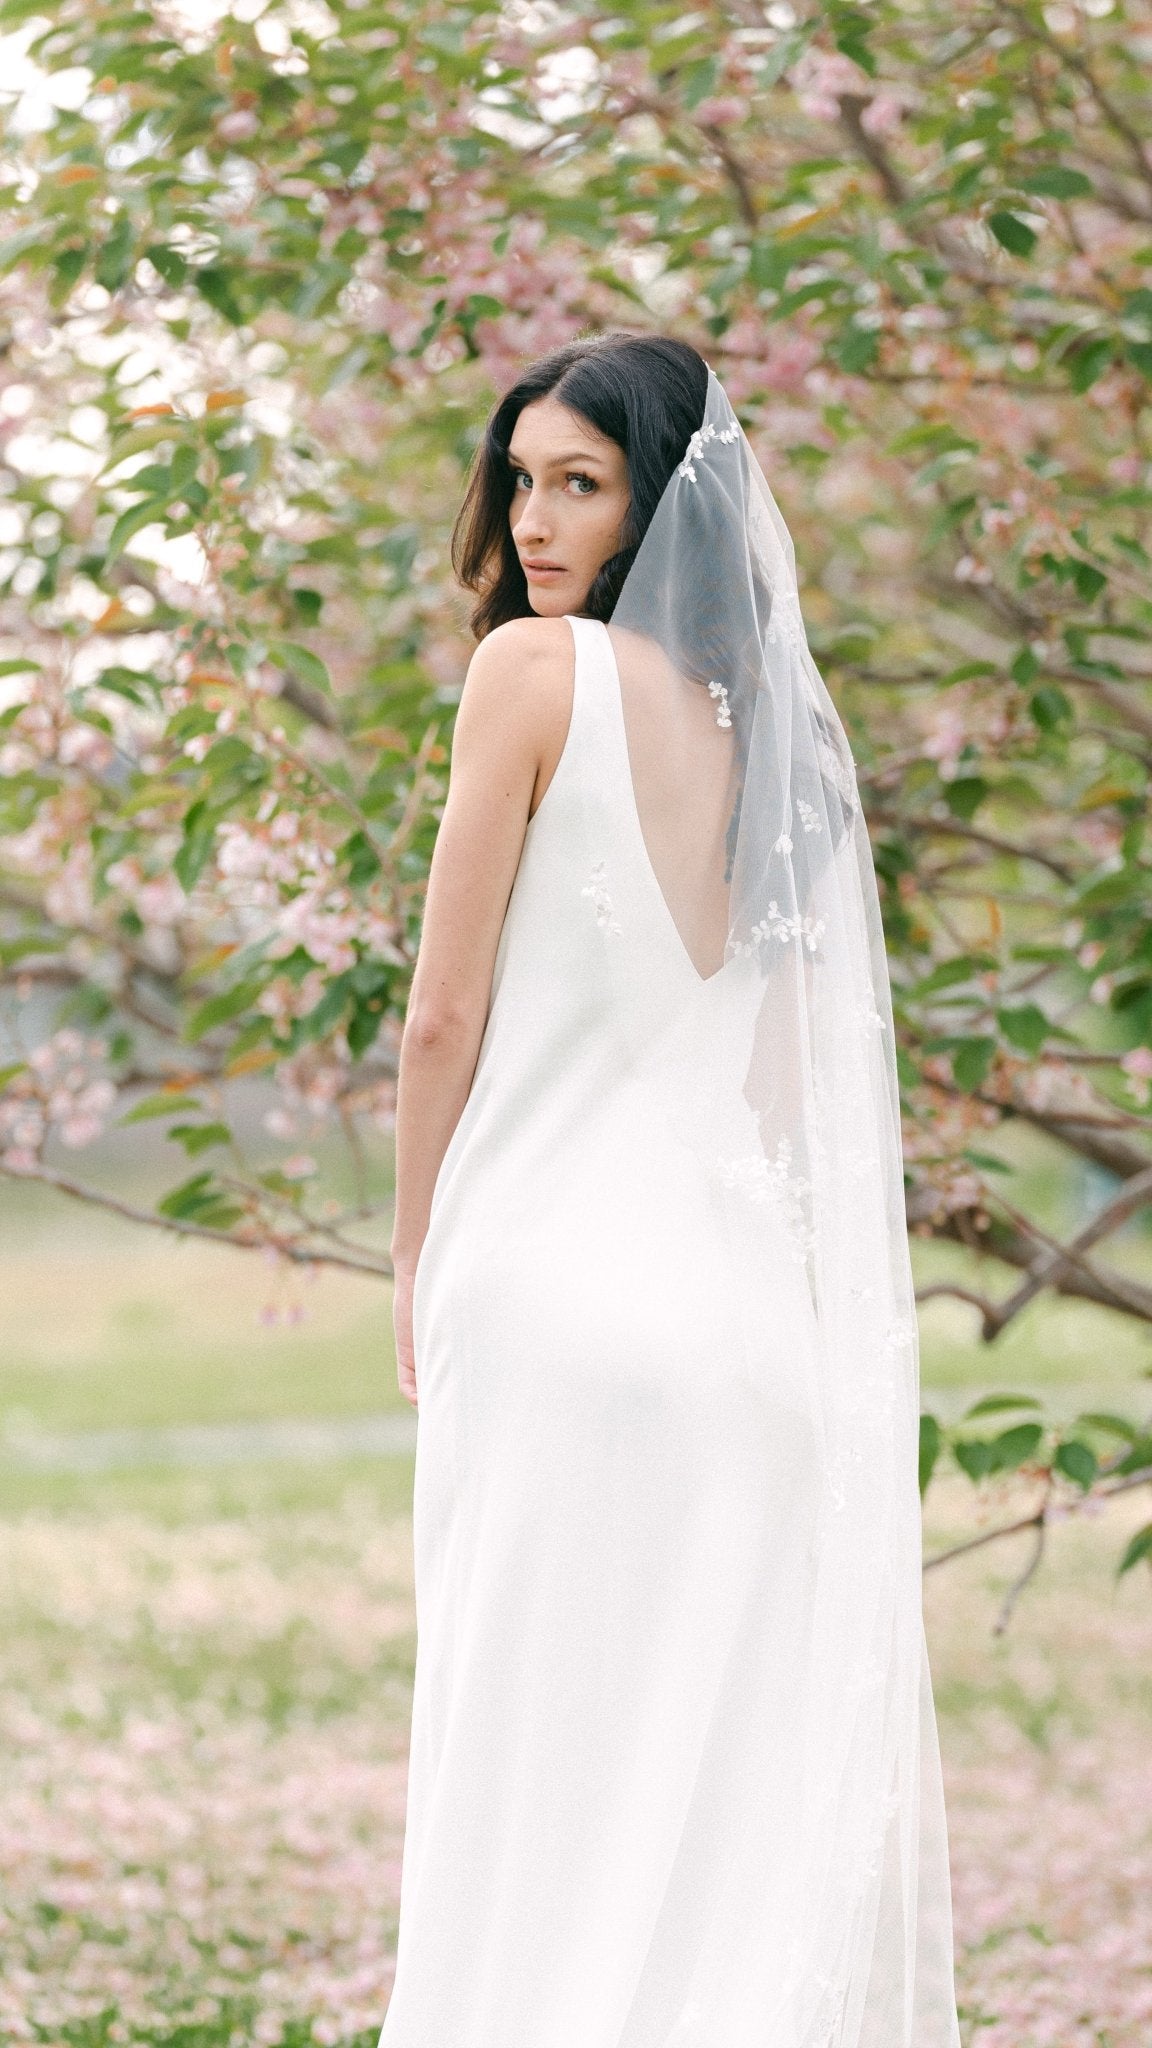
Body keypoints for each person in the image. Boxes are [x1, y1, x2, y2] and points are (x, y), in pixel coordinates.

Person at [379, 331, 961, 2047]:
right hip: (743, 1338)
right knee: (709, 1804)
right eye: (523, 479)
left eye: (583, 482)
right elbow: (794, 1093)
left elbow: (439, 1017)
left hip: (556, 1295)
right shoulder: (776, 744)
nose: (538, 519)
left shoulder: (532, 675)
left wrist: (413, 1248)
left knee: (526, 1758)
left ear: (659, 503)